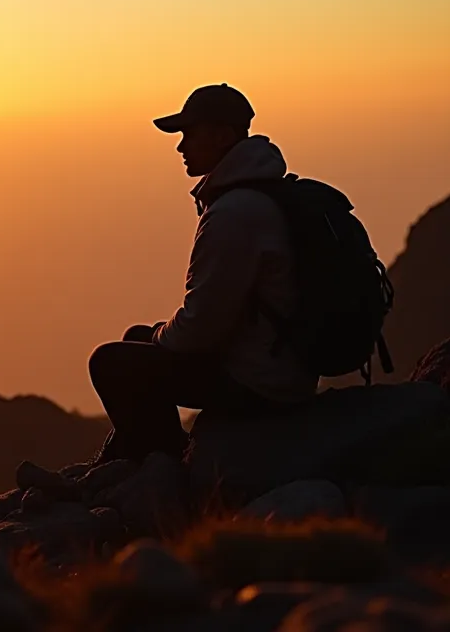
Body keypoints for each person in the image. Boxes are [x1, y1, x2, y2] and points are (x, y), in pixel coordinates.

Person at [86, 83, 319, 465]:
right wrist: (156, 337)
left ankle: (164, 466)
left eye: (189, 134)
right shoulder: (261, 195)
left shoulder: (234, 213)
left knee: (109, 362)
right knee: (137, 338)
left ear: (223, 136)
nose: (181, 147)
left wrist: (160, 337)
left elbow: (199, 329)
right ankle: (127, 459)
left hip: (260, 382)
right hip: (279, 366)